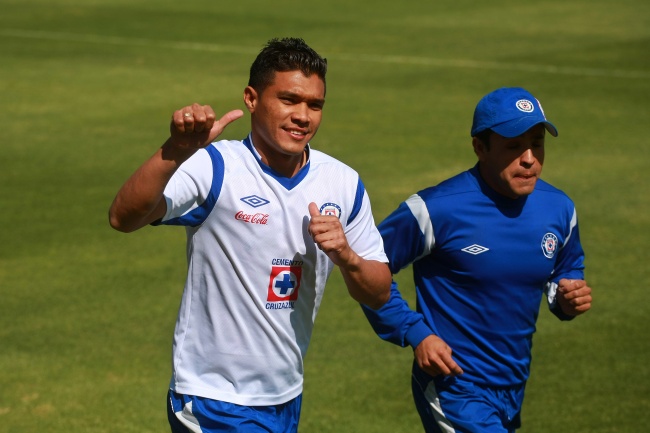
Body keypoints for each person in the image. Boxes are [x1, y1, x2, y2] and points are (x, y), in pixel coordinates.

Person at [108, 37, 391, 433]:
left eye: (315, 105)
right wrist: (175, 150)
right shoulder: (216, 166)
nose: (303, 116)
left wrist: (348, 257)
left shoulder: (342, 183)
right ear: (252, 99)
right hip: (212, 398)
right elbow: (123, 217)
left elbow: (379, 292)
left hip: (284, 395)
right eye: (289, 100)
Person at [362, 87, 593, 432]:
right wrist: (416, 332)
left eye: (537, 143)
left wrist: (565, 298)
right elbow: (366, 268)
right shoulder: (435, 209)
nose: (529, 158)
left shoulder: (559, 208)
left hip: (512, 384)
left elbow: (566, 269)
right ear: (480, 147)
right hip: (453, 386)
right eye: (514, 146)